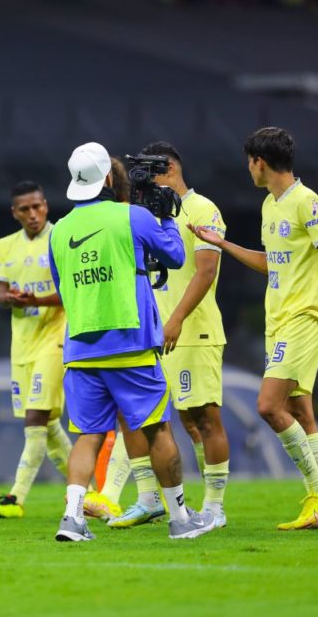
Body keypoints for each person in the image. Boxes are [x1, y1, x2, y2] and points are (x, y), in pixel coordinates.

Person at [192, 127, 318, 530]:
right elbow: (273, 262)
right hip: (279, 318)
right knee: (301, 411)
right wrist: (222, 244)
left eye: (248, 162)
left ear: (260, 162)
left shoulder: (306, 201)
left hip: (304, 316)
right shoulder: (271, 205)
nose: (248, 170)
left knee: (268, 405)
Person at [49, 141, 215, 541]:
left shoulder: (59, 232)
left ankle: (72, 519)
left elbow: (63, 288)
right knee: (157, 429)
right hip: (130, 344)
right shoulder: (133, 217)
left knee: (88, 435)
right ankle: (179, 519)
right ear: (109, 178)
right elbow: (174, 257)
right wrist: (167, 218)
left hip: (81, 347)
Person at [101, 142, 232, 530]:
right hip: (149, 333)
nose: (141, 183)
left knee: (202, 419)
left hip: (192, 331)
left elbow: (206, 272)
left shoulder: (203, 208)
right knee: (138, 415)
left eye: (148, 173)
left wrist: (173, 320)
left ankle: (215, 506)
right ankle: (147, 499)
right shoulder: (141, 215)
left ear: (169, 168)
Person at [0, 180, 71, 520]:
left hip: (57, 337)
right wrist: (13, 298)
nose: (33, 214)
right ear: (15, 213)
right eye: (25, 209)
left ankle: (15, 497)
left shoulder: (61, 238)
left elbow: (72, 292)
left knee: (36, 416)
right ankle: (91, 491)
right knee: (46, 424)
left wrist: (36, 299)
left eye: (38, 206)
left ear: (46, 206)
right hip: (22, 343)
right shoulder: (4, 246)